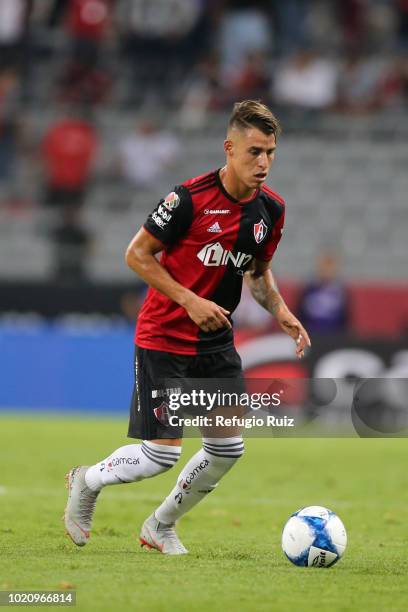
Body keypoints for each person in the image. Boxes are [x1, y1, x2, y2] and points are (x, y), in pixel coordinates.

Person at [64, 100, 311, 555]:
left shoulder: (271, 211)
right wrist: (190, 299)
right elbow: (136, 254)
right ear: (229, 147)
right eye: (254, 151)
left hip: (215, 341)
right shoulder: (189, 199)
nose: (264, 163)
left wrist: (280, 311)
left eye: (271, 152)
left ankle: (160, 525)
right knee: (161, 454)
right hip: (165, 336)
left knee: (228, 450)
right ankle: (87, 480)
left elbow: (257, 273)